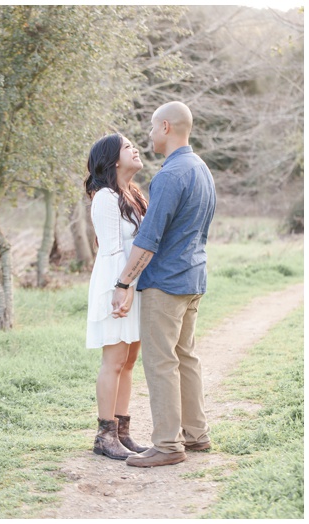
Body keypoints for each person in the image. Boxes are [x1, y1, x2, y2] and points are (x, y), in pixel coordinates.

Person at [112, 101, 216, 468]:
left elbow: (150, 237)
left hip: (166, 283)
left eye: (154, 127)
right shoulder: (201, 169)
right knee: (186, 356)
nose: (150, 134)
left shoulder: (170, 175)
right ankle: (196, 433)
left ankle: (169, 445)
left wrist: (124, 281)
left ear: (167, 127)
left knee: (160, 362)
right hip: (194, 277)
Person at [84, 133, 150, 460]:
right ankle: (104, 434)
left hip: (132, 285)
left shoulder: (132, 194)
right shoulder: (106, 198)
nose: (135, 149)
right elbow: (113, 250)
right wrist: (121, 291)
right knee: (113, 361)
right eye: (127, 147)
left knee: (129, 360)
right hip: (117, 286)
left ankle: (123, 432)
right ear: (112, 160)